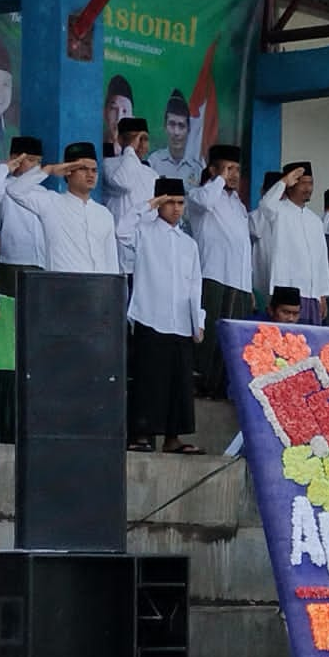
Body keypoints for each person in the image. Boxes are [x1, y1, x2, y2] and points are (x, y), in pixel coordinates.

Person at [126, 179, 204, 455]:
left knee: (178, 382)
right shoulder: (143, 232)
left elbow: (195, 284)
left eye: (180, 203)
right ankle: (142, 434)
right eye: (170, 202)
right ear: (159, 202)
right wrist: (149, 206)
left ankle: (173, 438)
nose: (176, 208)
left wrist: (199, 321)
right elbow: (120, 230)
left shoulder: (188, 244)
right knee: (149, 379)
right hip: (150, 315)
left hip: (181, 321)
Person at [185, 144, 252, 399]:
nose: (234, 174)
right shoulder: (200, 195)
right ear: (213, 169)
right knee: (210, 335)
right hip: (213, 275)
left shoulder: (237, 204)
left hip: (239, 281)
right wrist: (219, 178)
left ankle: (222, 388)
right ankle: (201, 384)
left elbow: (243, 244)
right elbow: (206, 200)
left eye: (237, 169)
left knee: (233, 339)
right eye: (229, 168)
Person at [6, 142, 118, 274]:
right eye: (83, 169)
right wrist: (49, 170)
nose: (90, 174)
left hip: (98, 289)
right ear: (67, 171)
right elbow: (14, 190)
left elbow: (112, 263)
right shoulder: (51, 203)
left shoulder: (104, 214)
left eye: (94, 170)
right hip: (61, 287)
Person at [256, 161, 329, 323]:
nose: (308, 188)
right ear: (291, 185)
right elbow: (265, 204)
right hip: (287, 293)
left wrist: (322, 294)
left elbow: (321, 260)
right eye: (302, 183)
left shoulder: (315, 221)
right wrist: (283, 181)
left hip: (312, 294)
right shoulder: (278, 211)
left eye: (310, 183)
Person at [0, 134, 45, 289]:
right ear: (14, 159)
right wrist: (6, 167)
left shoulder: (43, 191)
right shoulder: (4, 185)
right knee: (12, 310)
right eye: (30, 160)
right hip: (13, 261)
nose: (35, 167)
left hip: (42, 262)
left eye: (39, 162)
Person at [101, 116, 156, 273]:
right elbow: (124, 182)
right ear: (119, 139)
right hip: (119, 246)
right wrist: (130, 149)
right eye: (134, 138)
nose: (140, 144)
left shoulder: (151, 174)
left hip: (145, 249)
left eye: (144, 139)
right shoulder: (109, 165)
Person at [146, 89, 203, 184]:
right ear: (165, 126)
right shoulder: (153, 162)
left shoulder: (197, 168)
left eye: (181, 126)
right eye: (172, 124)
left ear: (188, 129)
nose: (176, 132)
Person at [102, 74, 133, 158]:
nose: (119, 118)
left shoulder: (135, 156)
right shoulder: (95, 147)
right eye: (113, 109)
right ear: (104, 112)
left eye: (125, 111)